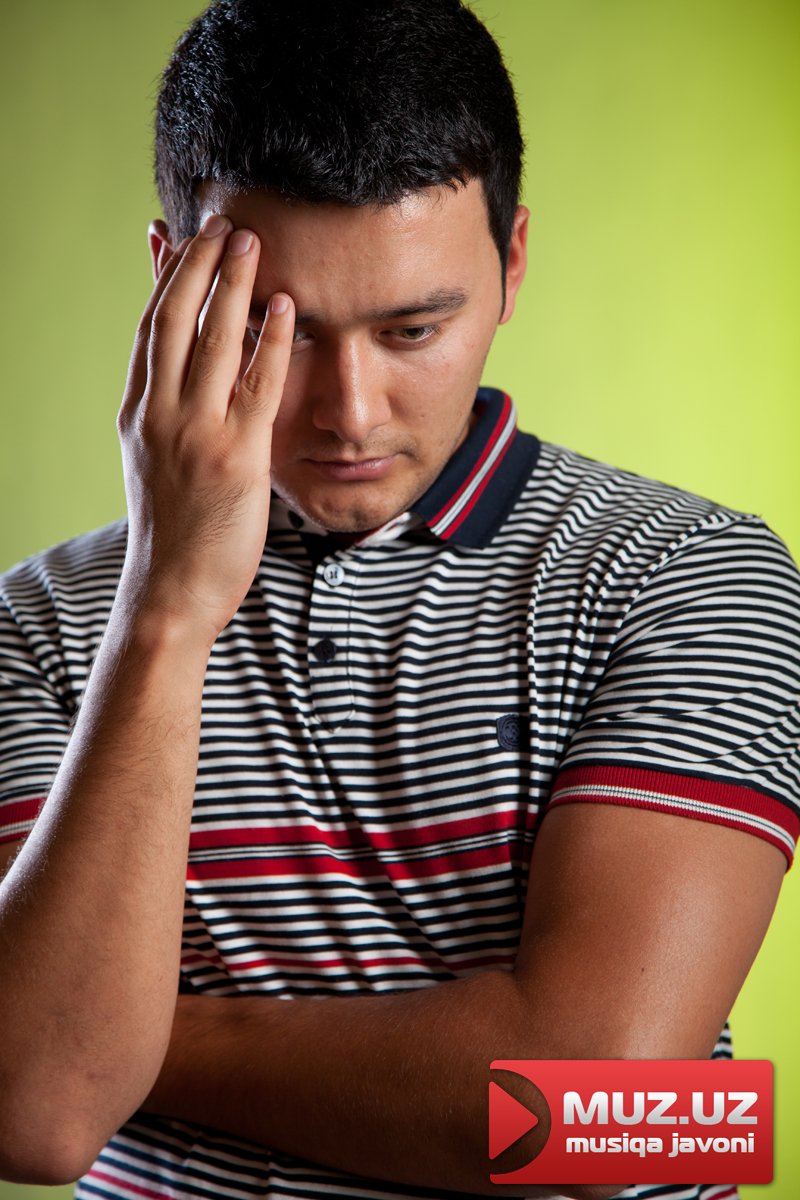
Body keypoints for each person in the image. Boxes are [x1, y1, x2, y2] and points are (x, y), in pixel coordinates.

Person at [0, 1, 798, 1197]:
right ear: (172, 281)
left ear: (511, 263)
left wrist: (127, 1044)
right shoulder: (35, 626)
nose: (350, 412)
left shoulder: (690, 573)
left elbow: (602, 1118)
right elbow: (39, 1120)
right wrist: (164, 610)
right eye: (277, 329)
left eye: (413, 327)